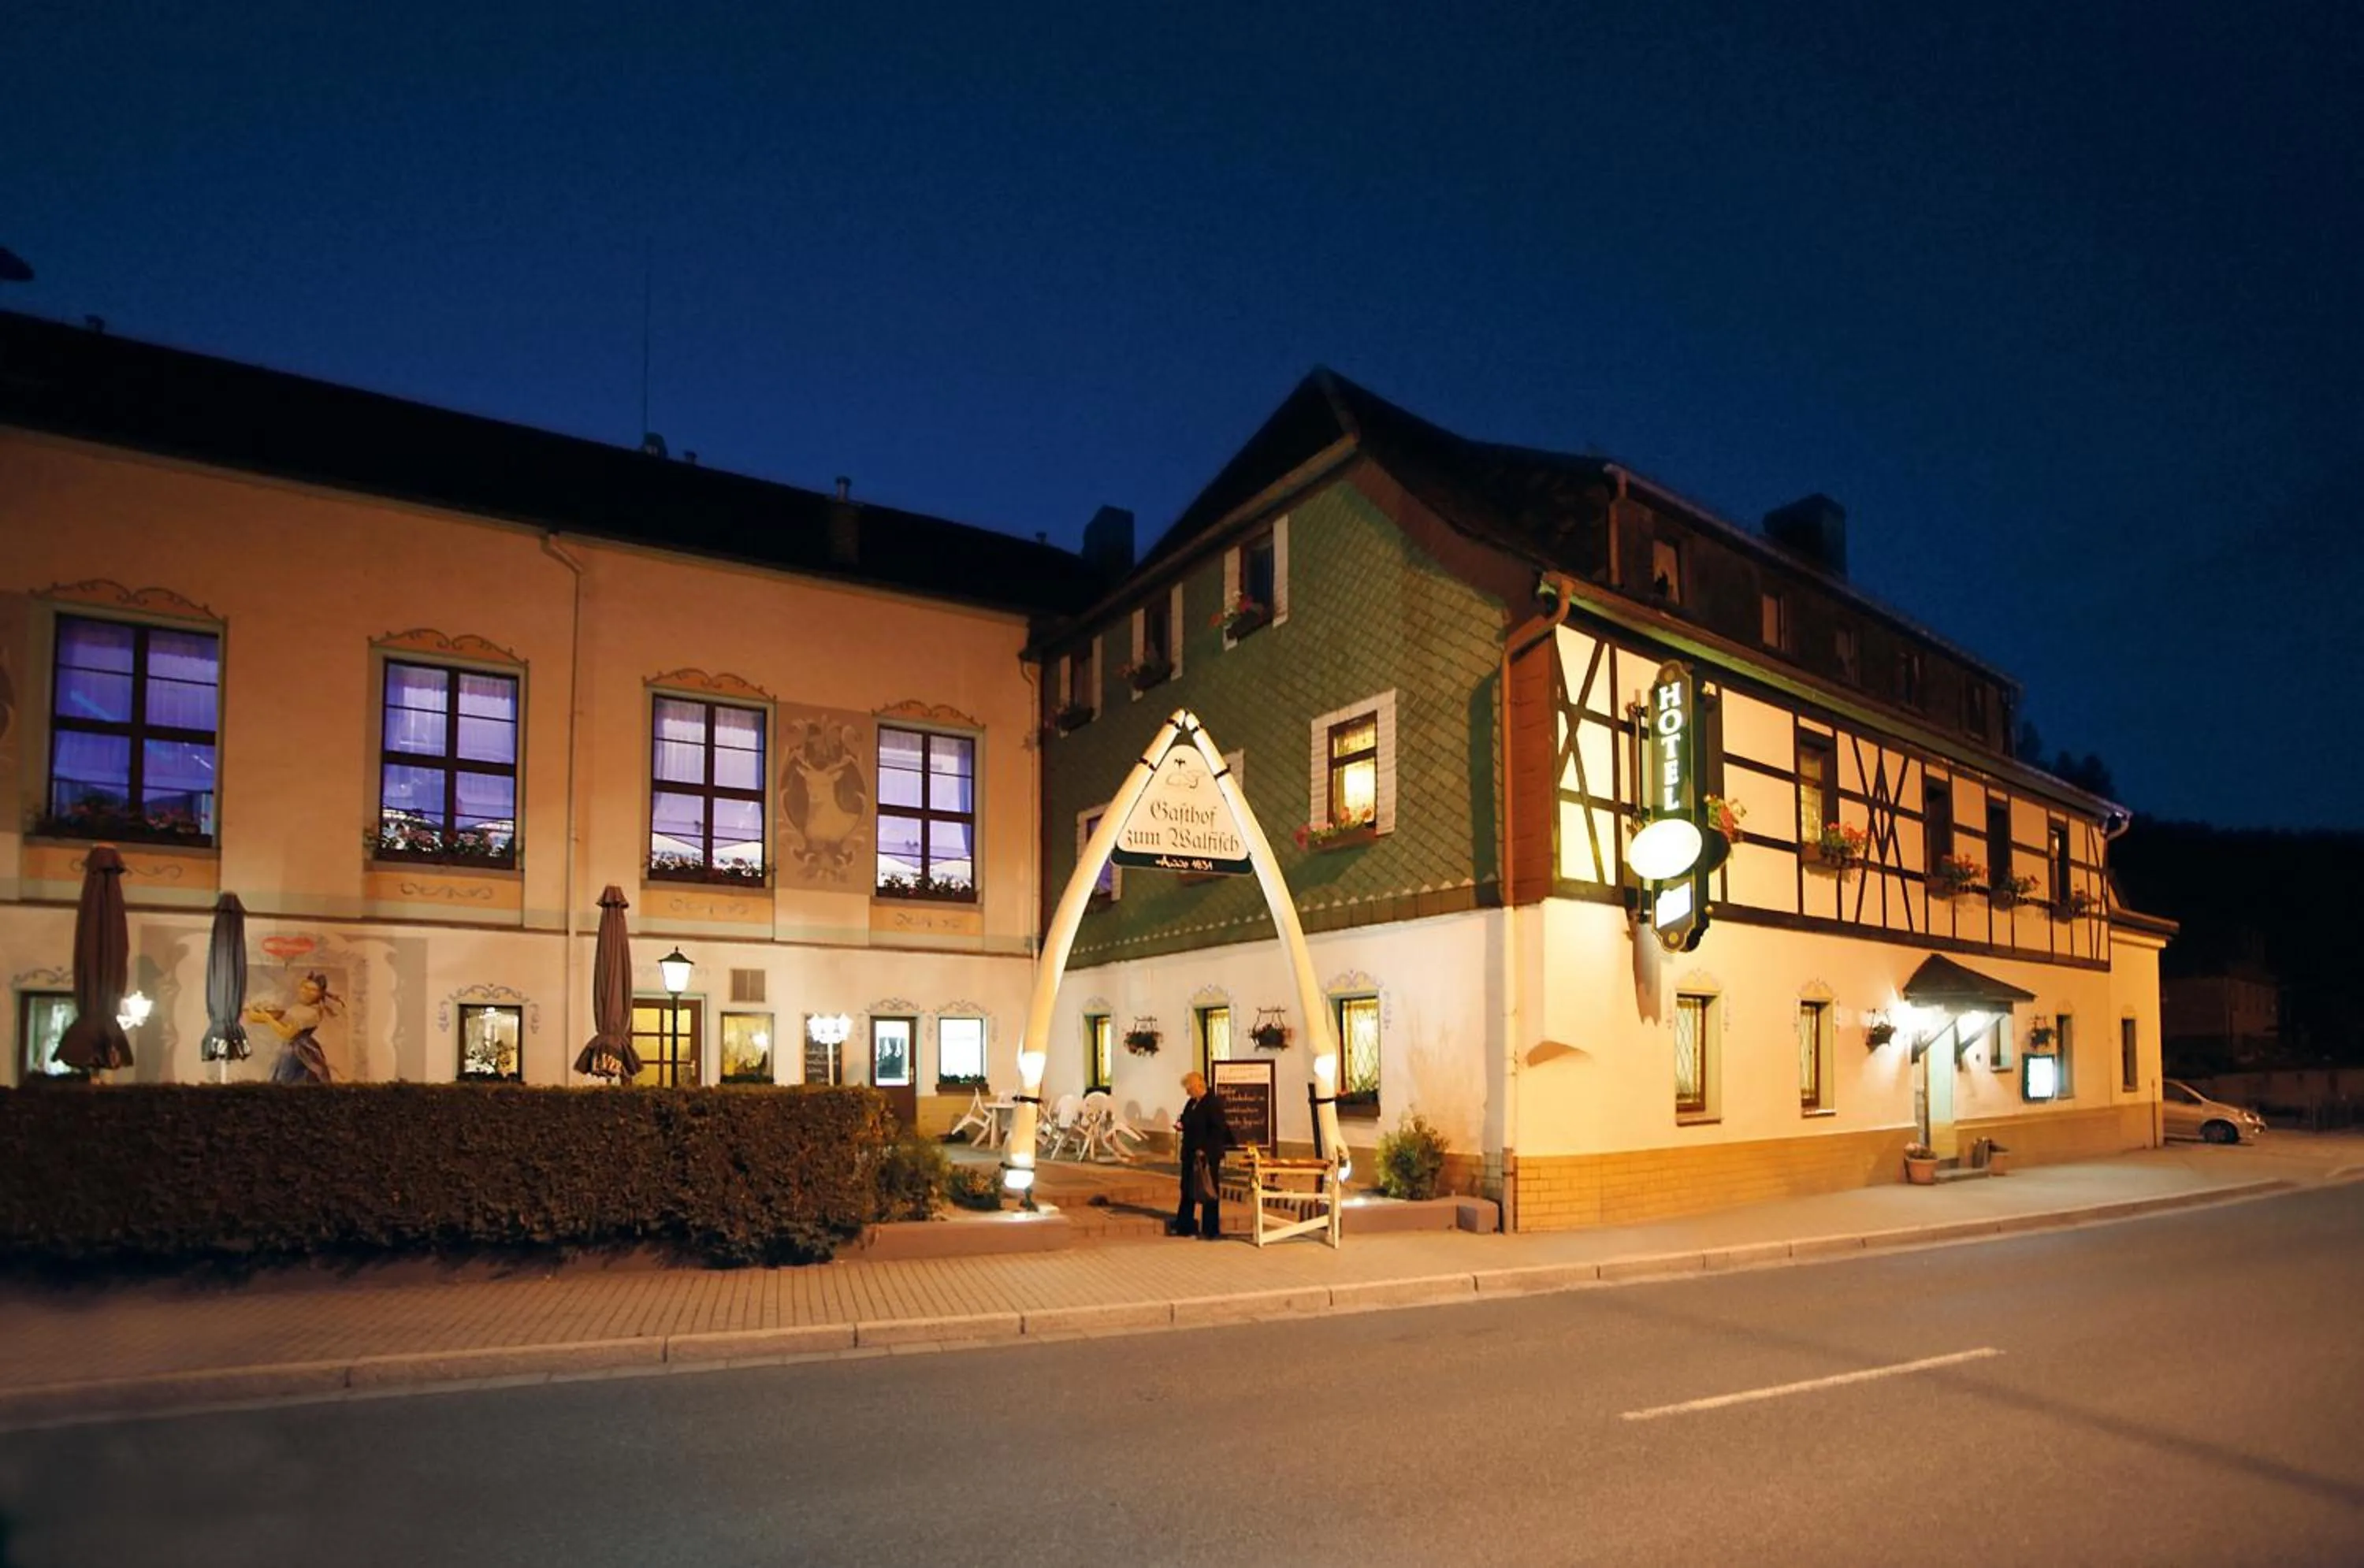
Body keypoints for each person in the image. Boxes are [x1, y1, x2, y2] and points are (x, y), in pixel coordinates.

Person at [1171, 1070, 1233, 1239]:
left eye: (1189, 1088)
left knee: (1208, 1190)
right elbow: (1185, 1118)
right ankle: (1184, 1225)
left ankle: (1210, 1229)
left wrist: (1205, 1148)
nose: (1187, 1092)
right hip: (1190, 1153)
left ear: (1199, 1086)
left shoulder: (1212, 1103)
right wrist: (1181, 1124)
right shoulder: (1192, 1102)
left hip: (1206, 1156)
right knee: (1187, 1189)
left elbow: (1218, 1129)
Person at [246, 971, 340, 1084]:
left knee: (288, 1081)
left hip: (300, 1052)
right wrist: (257, 1013)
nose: (306, 992)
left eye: (313, 990)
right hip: (289, 1048)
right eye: (305, 987)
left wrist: (268, 1019)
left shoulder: (312, 1013)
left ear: (320, 994)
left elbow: (288, 1033)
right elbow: (282, 1017)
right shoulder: (298, 1007)